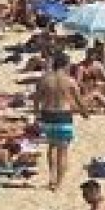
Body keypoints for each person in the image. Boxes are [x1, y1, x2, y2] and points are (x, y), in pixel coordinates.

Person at [34, 51, 89, 191]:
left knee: (51, 146)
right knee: (62, 150)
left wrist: (36, 115)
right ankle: (58, 183)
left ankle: (51, 178)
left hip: (47, 114)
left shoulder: (44, 79)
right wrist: (84, 112)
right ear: (65, 65)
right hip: (63, 115)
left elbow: (36, 98)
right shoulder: (70, 81)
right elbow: (79, 100)